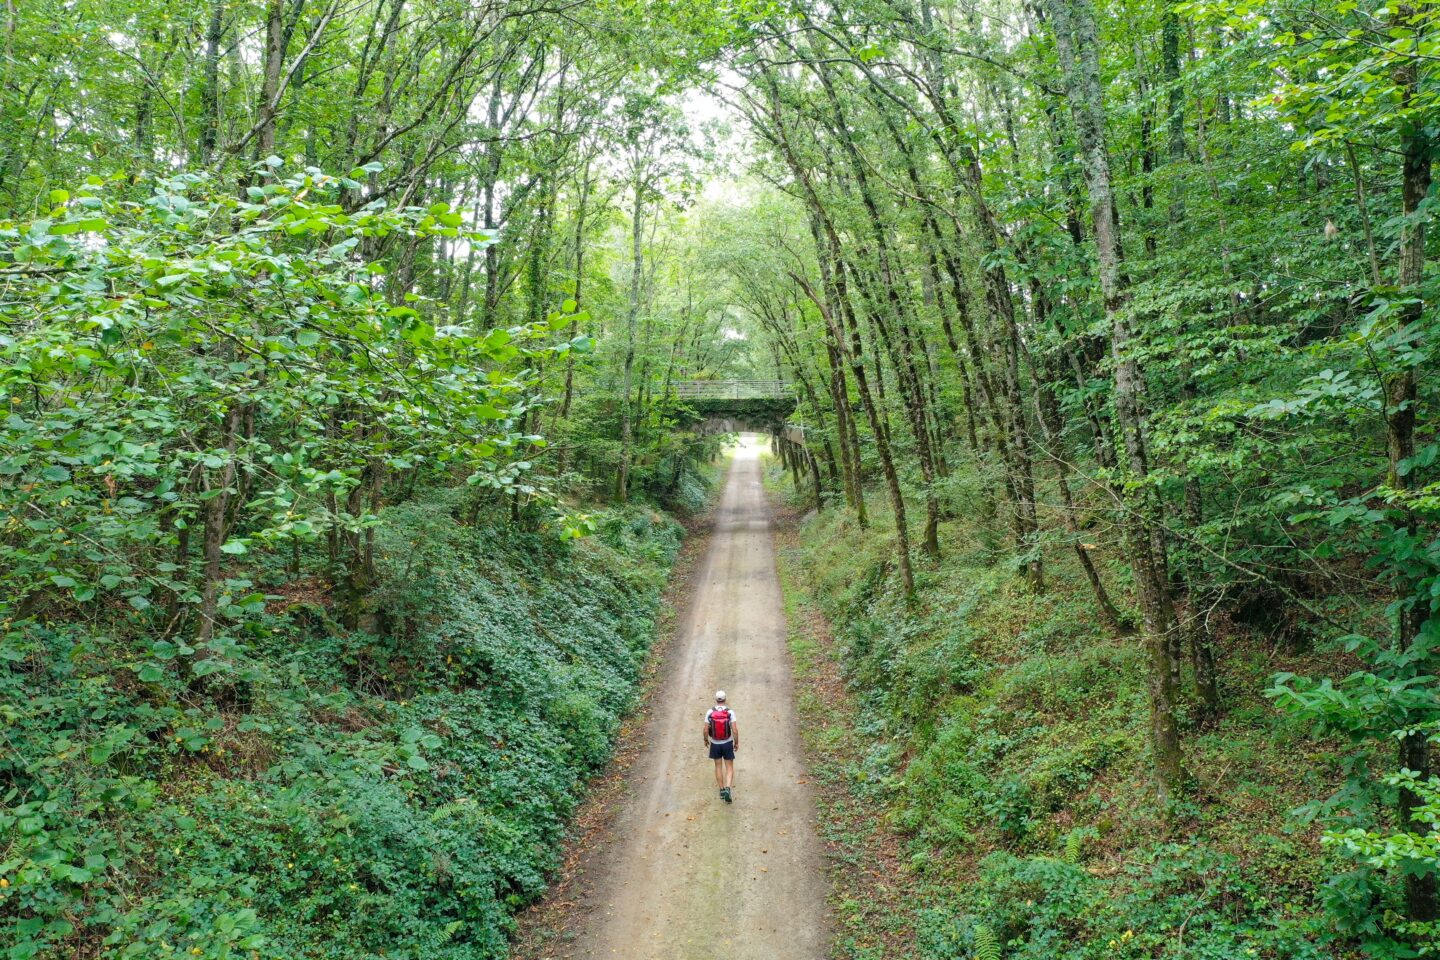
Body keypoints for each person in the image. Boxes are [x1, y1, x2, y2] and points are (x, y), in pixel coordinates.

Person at [703, 690, 738, 803]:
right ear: (725, 699)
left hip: (715, 744)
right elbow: (735, 730)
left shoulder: (710, 712)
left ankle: (722, 790)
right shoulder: (730, 712)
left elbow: (705, 729)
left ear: (716, 699)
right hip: (727, 743)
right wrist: (736, 742)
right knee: (729, 767)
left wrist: (706, 739)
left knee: (718, 766)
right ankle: (728, 788)